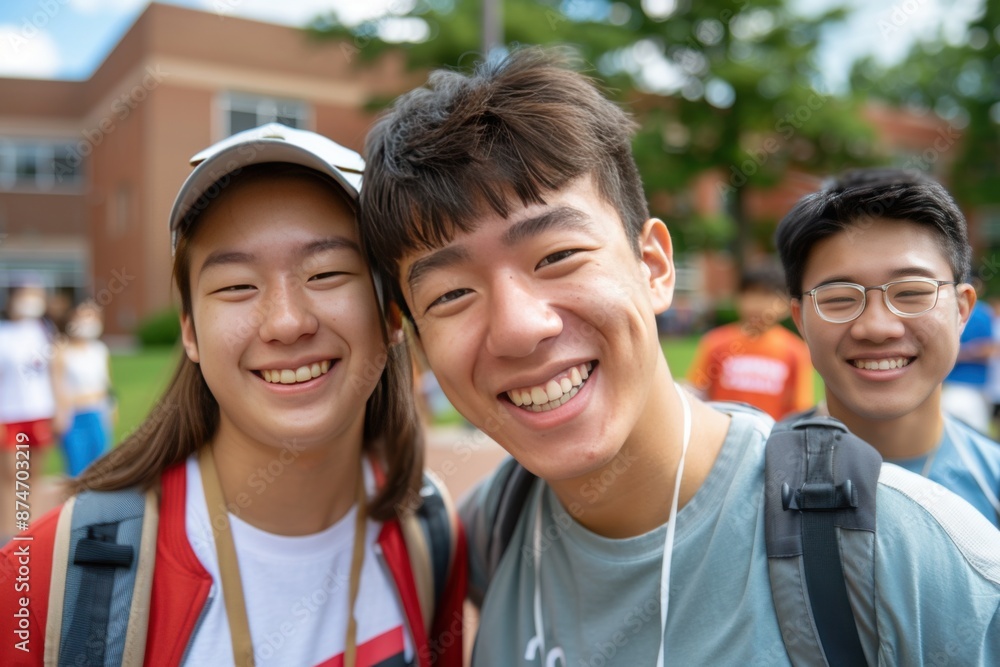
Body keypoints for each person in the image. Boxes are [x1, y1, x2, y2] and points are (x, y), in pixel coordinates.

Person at [358, 48, 1000, 665]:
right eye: (451, 294)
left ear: (655, 266)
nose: (519, 329)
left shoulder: (917, 557)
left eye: (556, 256)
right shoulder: (481, 531)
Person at [0, 124, 465, 666]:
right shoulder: (46, 576)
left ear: (391, 314)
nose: (287, 322)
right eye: (237, 285)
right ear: (191, 332)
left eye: (328, 272)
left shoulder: (430, 530)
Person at [776, 167, 1000, 528]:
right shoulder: (749, 488)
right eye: (839, 298)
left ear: (961, 311)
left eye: (911, 292)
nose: (877, 328)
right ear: (801, 320)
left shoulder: (991, 486)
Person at [686, 265, 814, 419]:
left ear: (786, 305)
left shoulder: (795, 350)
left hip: (771, 437)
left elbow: (799, 408)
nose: (757, 304)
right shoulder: (716, 342)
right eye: (751, 293)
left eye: (767, 295)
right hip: (722, 436)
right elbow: (696, 393)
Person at [0, 283, 57, 541]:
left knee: (34, 473)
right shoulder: (4, 333)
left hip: (39, 410)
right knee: (12, 473)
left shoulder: (44, 331)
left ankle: (29, 526)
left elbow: (54, 372)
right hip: (9, 414)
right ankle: (7, 529)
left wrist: (60, 408)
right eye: (25, 296)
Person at [51, 300, 115, 477]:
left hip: (98, 414)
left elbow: (106, 383)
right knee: (77, 469)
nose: (89, 321)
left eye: (94, 316)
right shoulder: (61, 351)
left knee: (102, 467)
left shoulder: (100, 350)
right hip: (74, 417)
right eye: (84, 316)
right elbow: (57, 387)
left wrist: (111, 408)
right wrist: (61, 416)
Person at [942, 292, 994, 433]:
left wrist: (962, 353)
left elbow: (989, 348)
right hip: (965, 387)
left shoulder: (979, 312)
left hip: (965, 386)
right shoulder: (983, 312)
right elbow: (989, 348)